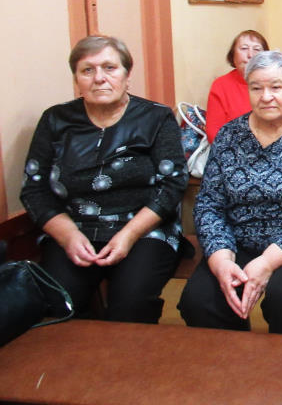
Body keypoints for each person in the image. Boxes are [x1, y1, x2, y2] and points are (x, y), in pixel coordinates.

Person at [20, 35, 187, 323]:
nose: (99, 78)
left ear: (127, 75)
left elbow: (172, 185)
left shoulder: (155, 118)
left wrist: (128, 234)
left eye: (109, 68)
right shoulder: (55, 120)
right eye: (88, 70)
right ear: (77, 79)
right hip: (75, 228)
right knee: (58, 305)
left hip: (144, 230)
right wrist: (68, 235)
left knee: (130, 306)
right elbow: (34, 190)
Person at [179, 51, 282, 334]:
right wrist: (221, 260)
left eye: (276, 87)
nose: (266, 96)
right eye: (256, 88)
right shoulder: (230, 135)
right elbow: (209, 204)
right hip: (240, 238)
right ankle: (234, 358)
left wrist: (268, 261)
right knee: (200, 300)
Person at [205, 30, 268, 143]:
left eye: (257, 49)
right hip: (233, 149)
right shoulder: (220, 85)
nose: (250, 55)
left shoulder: (277, 82)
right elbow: (214, 133)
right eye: (244, 48)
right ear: (233, 55)